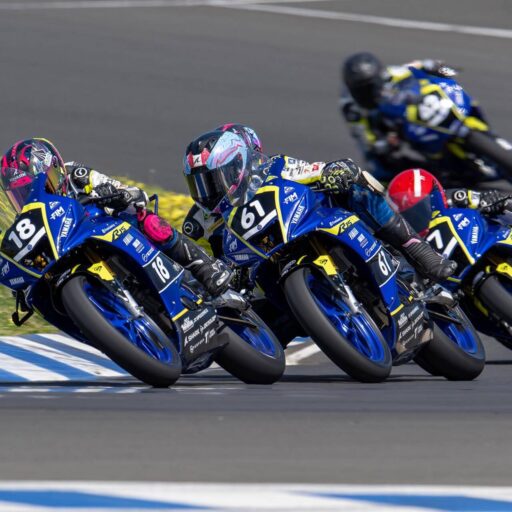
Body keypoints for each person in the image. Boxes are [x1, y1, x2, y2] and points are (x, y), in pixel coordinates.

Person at [182, 125, 456, 281]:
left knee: (356, 188)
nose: (208, 192)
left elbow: (312, 170)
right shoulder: (201, 220)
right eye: (200, 185)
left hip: (315, 224)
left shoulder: (276, 166)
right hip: (268, 274)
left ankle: (416, 248)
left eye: (213, 181)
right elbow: (199, 259)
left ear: (238, 165)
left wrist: (335, 171)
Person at [0, 138, 232, 295]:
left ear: (56, 170)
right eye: (20, 195)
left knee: (145, 219)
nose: (30, 199)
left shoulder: (77, 176)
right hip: (75, 259)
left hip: (112, 233)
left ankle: (205, 267)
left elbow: (133, 194)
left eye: (35, 188)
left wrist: (118, 194)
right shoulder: (32, 224)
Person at [340, 52, 468, 182]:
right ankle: (431, 179)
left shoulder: (389, 74)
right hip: (382, 128)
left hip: (405, 111)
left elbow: (415, 67)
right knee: (379, 170)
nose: (368, 92)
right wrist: (380, 143)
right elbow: (362, 136)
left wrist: (434, 66)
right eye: (362, 89)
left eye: (372, 85)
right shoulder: (351, 107)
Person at [387, 167, 511, 235]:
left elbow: (483, 198)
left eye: (421, 207)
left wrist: (491, 201)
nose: (419, 216)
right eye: (410, 216)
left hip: (484, 238)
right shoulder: (408, 243)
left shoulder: (455, 197)